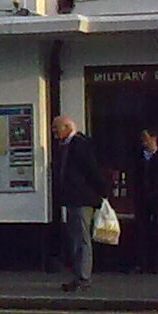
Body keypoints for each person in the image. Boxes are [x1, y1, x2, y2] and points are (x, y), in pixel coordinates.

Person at [52, 115, 108, 292]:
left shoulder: (79, 144)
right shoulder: (64, 146)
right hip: (71, 199)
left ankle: (83, 277)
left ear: (67, 127)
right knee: (75, 239)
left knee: (82, 239)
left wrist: (103, 192)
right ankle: (78, 276)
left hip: (82, 199)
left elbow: (92, 170)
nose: (53, 132)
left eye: (56, 128)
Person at [129, 127, 158, 273]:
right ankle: (143, 263)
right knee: (141, 231)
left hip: (157, 199)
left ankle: (156, 265)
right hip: (141, 198)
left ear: (154, 138)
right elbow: (133, 177)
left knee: (157, 231)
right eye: (142, 139)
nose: (144, 142)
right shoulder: (138, 157)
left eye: (146, 138)